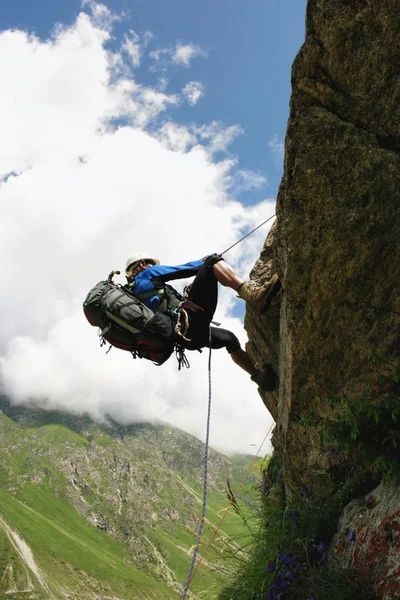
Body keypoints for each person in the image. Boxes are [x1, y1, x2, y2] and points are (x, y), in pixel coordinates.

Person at [124, 252, 281, 392]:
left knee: (229, 339)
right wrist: (204, 262)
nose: (152, 266)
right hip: (190, 322)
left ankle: (261, 379)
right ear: (142, 265)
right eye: (150, 264)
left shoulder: (137, 294)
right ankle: (253, 295)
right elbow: (180, 270)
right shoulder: (146, 274)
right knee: (212, 262)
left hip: (186, 339)